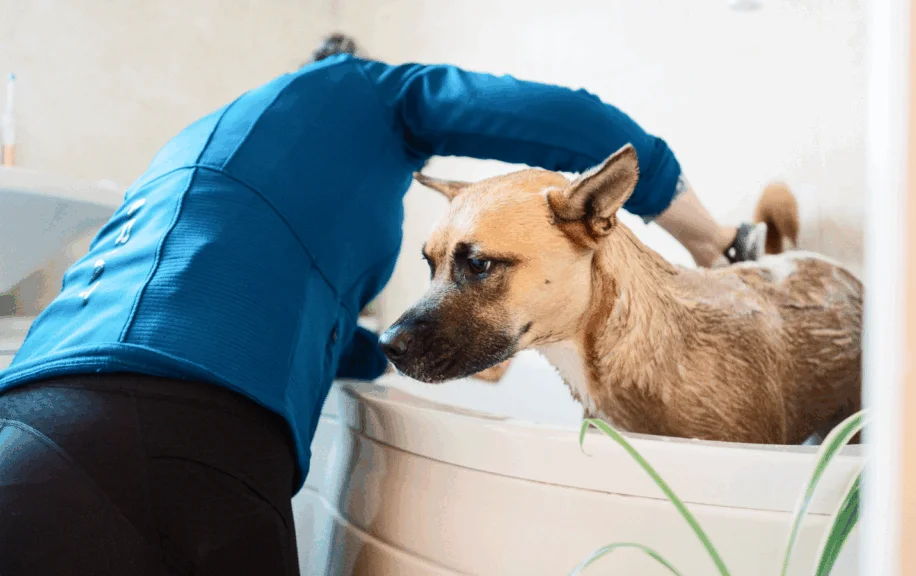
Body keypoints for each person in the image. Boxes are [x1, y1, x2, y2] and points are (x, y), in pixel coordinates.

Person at [0, 33, 764, 575]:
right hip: (187, 437)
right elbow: (579, 124)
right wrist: (710, 238)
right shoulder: (362, 91)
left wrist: (413, 350)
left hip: (34, 423)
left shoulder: (215, 156)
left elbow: (316, 331)